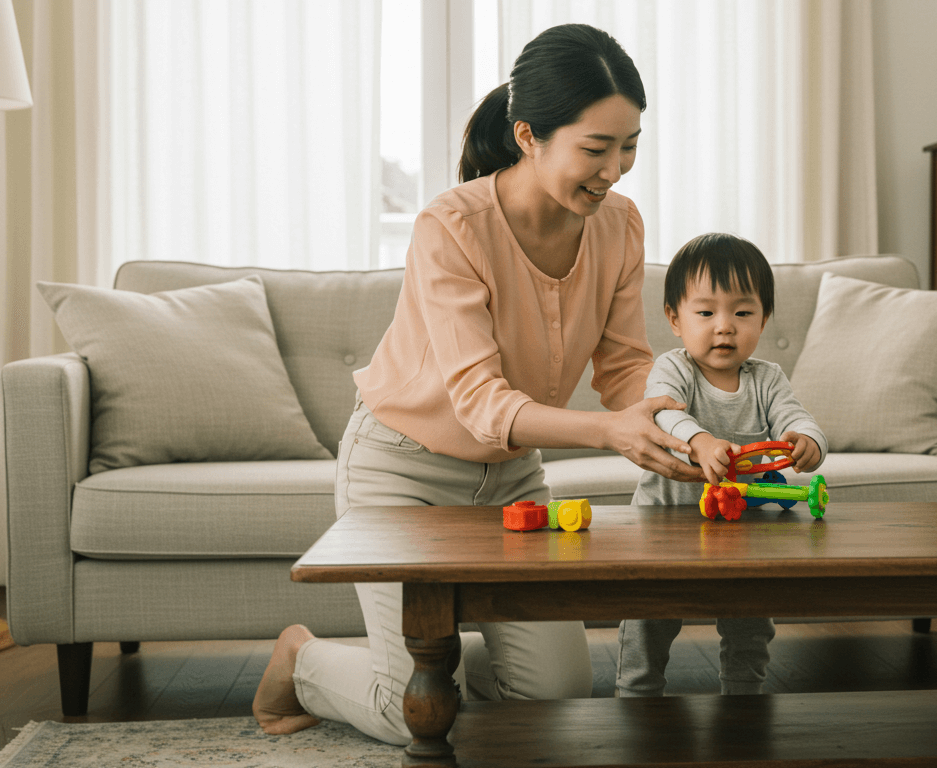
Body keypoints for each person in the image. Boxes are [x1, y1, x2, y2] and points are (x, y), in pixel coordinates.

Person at [252, 23, 704, 744]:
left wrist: (689, 428)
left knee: (555, 700)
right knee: (417, 719)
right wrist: (607, 430)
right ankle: (302, 659)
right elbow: (481, 401)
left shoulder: (620, 224)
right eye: (596, 148)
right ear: (529, 135)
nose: (615, 169)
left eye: (630, 146)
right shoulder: (451, 226)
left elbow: (623, 366)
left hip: (510, 482)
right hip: (399, 474)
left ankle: (430, 666)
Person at [615, 233, 827, 698]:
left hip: (745, 532)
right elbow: (666, 413)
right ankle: (636, 694)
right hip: (665, 526)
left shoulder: (767, 379)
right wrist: (701, 440)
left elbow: (795, 415)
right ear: (675, 318)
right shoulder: (674, 369)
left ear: (764, 319)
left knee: (750, 619)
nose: (725, 327)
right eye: (706, 313)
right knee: (650, 618)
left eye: (743, 313)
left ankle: (743, 696)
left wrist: (809, 440)